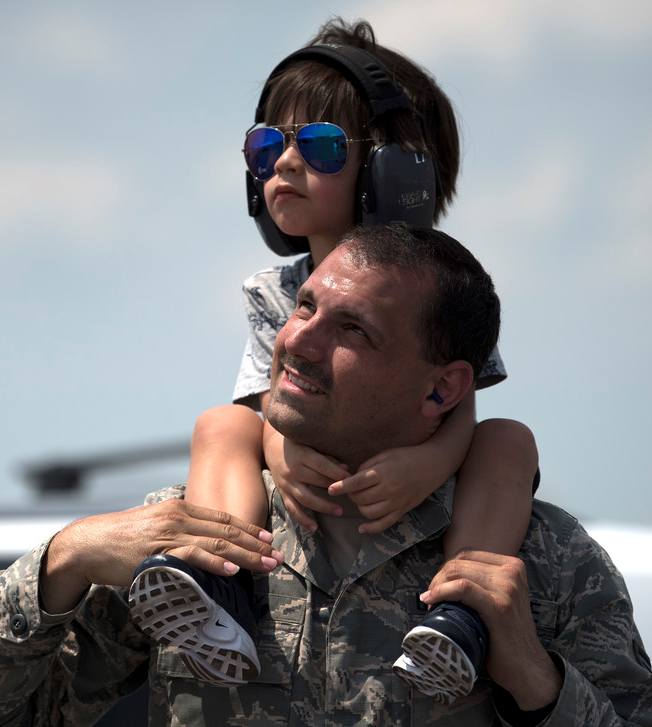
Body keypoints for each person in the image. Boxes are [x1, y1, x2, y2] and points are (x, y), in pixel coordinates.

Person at [0, 222, 652, 726]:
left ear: (443, 390)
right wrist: (62, 562)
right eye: (305, 307)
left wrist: (539, 683)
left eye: (353, 329)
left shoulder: (537, 561)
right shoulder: (187, 543)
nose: (297, 342)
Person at [129, 17, 538, 701]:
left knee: (509, 440)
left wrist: (430, 463)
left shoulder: (441, 290)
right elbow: (266, 401)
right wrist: (283, 453)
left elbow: (460, 402)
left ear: (394, 173)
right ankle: (217, 583)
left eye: (318, 146)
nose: (284, 164)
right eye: (267, 145)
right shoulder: (272, 290)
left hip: (415, 465)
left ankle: (463, 614)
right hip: (305, 471)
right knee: (221, 424)